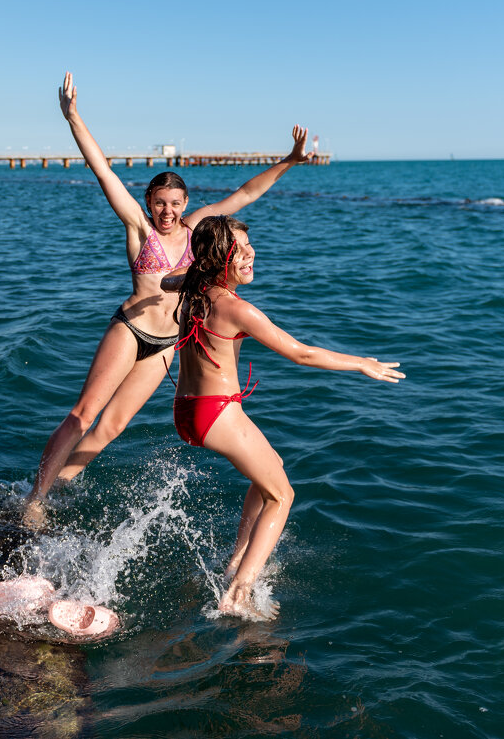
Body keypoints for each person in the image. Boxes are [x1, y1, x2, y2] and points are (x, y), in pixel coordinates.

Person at [25, 72, 311, 526]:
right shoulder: (138, 228)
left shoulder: (198, 230)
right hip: (131, 330)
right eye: (160, 202)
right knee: (84, 415)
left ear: (185, 202)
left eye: (175, 203)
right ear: (149, 201)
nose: (168, 212)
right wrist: (73, 116)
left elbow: (247, 193)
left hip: (166, 346)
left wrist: (291, 161)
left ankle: (62, 483)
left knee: (114, 427)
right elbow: (103, 169)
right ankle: (35, 501)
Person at [172, 215, 404, 619]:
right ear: (216, 258)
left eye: (249, 245)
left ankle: (236, 561)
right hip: (217, 412)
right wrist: (361, 363)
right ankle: (239, 594)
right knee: (283, 494)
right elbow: (301, 353)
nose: (249, 254)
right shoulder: (236, 308)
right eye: (238, 250)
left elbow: (164, 282)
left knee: (269, 473)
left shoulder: (191, 289)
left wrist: (192, 271)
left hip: (186, 409)